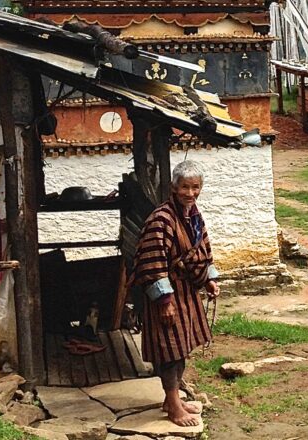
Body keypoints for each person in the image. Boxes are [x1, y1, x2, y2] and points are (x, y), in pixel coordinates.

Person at [129, 160, 220, 427]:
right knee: (170, 350)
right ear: (173, 187)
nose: (190, 193)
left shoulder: (193, 215)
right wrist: (165, 301)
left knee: (182, 347)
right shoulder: (161, 219)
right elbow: (152, 261)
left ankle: (173, 400)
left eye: (195, 187)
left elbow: (203, 247)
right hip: (168, 296)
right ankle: (174, 406)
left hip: (186, 291)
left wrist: (209, 280)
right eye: (185, 187)